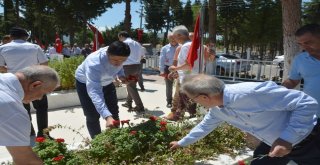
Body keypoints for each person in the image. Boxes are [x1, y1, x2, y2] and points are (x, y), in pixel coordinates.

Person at [169, 74, 320, 165]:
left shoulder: (250, 93)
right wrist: (181, 143)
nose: (195, 103)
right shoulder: (217, 109)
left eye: (193, 100)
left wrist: (287, 138)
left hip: (309, 141)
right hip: (273, 143)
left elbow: (306, 103)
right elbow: (204, 127)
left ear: (204, 97)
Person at [0, 65, 60, 165]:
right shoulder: (13, 111)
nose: (41, 98)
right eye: (44, 93)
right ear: (35, 85)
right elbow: (26, 160)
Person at [0, 27, 51, 142]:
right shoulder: (34, 47)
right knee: (42, 108)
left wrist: (8, 69)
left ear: (11, 37)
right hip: (36, 81)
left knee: (24, 109)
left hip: (16, 83)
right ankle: (43, 134)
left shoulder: (2, 48)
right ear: (25, 37)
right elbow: (45, 64)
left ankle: (30, 133)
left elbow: (0, 67)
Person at [75, 41, 131, 139]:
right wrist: (107, 117)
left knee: (113, 112)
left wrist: (121, 76)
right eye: (115, 60)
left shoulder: (118, 54)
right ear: (107, 54)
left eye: (123, 60)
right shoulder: (94, 63)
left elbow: (119, 66)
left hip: (107, 82)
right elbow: (95, 92)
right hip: (85, 83)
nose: (119, 64)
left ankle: (115, 139)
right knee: (92, 115)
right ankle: (97, 142)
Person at [282, 23, 320, 117]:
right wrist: (278, 90)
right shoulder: (300, 59)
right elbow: (293, 80)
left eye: (308, 42)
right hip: (311, 114)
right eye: (300, 44)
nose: (304, 47)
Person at [165, 25, 197, 121]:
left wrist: (175, 68)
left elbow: (189, 65)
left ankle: (178, 115)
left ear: (179, 35)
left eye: (174, 36)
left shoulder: (186, 46)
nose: (174, 39)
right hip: (193, 77)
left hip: (188, 78)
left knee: (183, 98)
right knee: (185, 99)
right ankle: (181, 115)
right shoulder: (193, 45)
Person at [118, 31, 145, 112]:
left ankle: (140, 106)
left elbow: (120, 56)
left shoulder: (123, 43)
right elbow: (142, 55)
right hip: (137, 66)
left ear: (121, 36)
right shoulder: (137, 43)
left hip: (127, 67)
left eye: (119, 37)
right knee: (131, 85)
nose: (119, 39)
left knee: (131, 86)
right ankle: (128, 102)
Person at [159, 32, 179, 108]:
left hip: (179, 68)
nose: (173, 39)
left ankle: (178, 102)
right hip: (168, 68)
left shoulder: (181, 47)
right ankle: (169, 101)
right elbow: (162, 59)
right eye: (171, 38)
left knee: (180, 86)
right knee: (169, 86)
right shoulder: (164, 48)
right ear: (168, 39)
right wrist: (161, 70)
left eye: (174, 38)